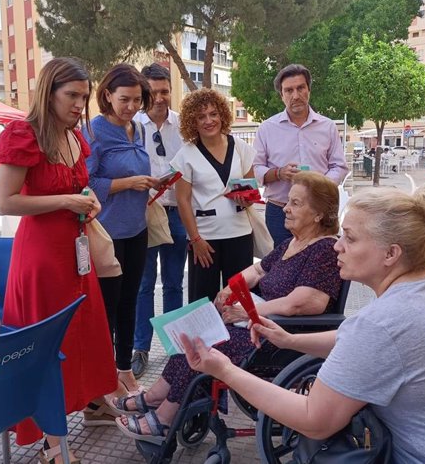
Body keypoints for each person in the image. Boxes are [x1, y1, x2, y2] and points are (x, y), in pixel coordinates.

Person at [181, 180, 425, 464]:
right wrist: (292, 341)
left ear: (391, 253)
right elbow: (361, 337)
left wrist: (224, 371)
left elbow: (314, 419)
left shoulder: (387, 322)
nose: (337, 246)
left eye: (350, 238)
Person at [115, 171, 344, 442]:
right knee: (191, 331)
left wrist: (250, 313)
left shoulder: (324, 250)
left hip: (281, 336)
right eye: (288, 201)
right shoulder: (291, 243)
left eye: (296, 203)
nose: (286, 208)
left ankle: (165, 418)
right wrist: (230, 288)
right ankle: (155, 396)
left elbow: (306, 303)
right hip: (258, 324)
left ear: (318, 214)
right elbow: (258, 271)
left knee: (204, 343)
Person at [0, 57, 117, 462]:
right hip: (41, 258)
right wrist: (67, 200)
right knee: (49, 343)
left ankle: (93, 403)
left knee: (84, 331)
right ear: (49, 93)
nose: (80, 105)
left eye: (84, 96)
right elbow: (5, 202)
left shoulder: (74, 138)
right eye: (72, 95)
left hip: (75, 252)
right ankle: (52, 441)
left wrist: (89, 200)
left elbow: (79, 185)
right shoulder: (23, 134)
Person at [85, 63, 158, 395]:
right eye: (125, 99)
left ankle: (125, 370)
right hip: (107, 233)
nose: (132, 107)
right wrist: (127, 182)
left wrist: (149, 184)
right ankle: (101, 382)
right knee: (107, 310)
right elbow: (85, 184)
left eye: (138, 100)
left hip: (137, 228)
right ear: (107, 95)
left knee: (130, 302)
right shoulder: (94, 131)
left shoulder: (138, 129)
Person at [171, 88, 256, 304]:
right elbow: (182, 201)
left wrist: (246, 199)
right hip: (205, 240)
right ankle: (204, 340)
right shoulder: (185, 155)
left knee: (240, 301)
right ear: (193, 121)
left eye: (213, 114)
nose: (209, 121)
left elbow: (251, 190)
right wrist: (195, 239)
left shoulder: (241, 148)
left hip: (239, 233)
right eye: (201, 116)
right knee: (203, 302)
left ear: (222, 115)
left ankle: (241, 339)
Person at [131, 64, 186, 379]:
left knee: (175, 284)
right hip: (145, 213)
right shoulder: (133, 126)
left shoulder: (182, 125)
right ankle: (141, 348)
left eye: (165, 91)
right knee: (143, 285)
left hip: (177, 212)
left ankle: (176, 346)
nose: (161, 98)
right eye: (154, 92)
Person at [253, 64, 348, 246]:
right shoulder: (267, 128)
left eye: (300, 88)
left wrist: (319, 186)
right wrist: (279, 173)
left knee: (318, 265)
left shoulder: (327, 127)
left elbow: (339, 166)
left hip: (319, 212)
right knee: (281, 266)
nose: (295, 96)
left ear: (309, 90)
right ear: (281, 95)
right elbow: (256, 168)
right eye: (288, 90)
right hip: (280, 211)